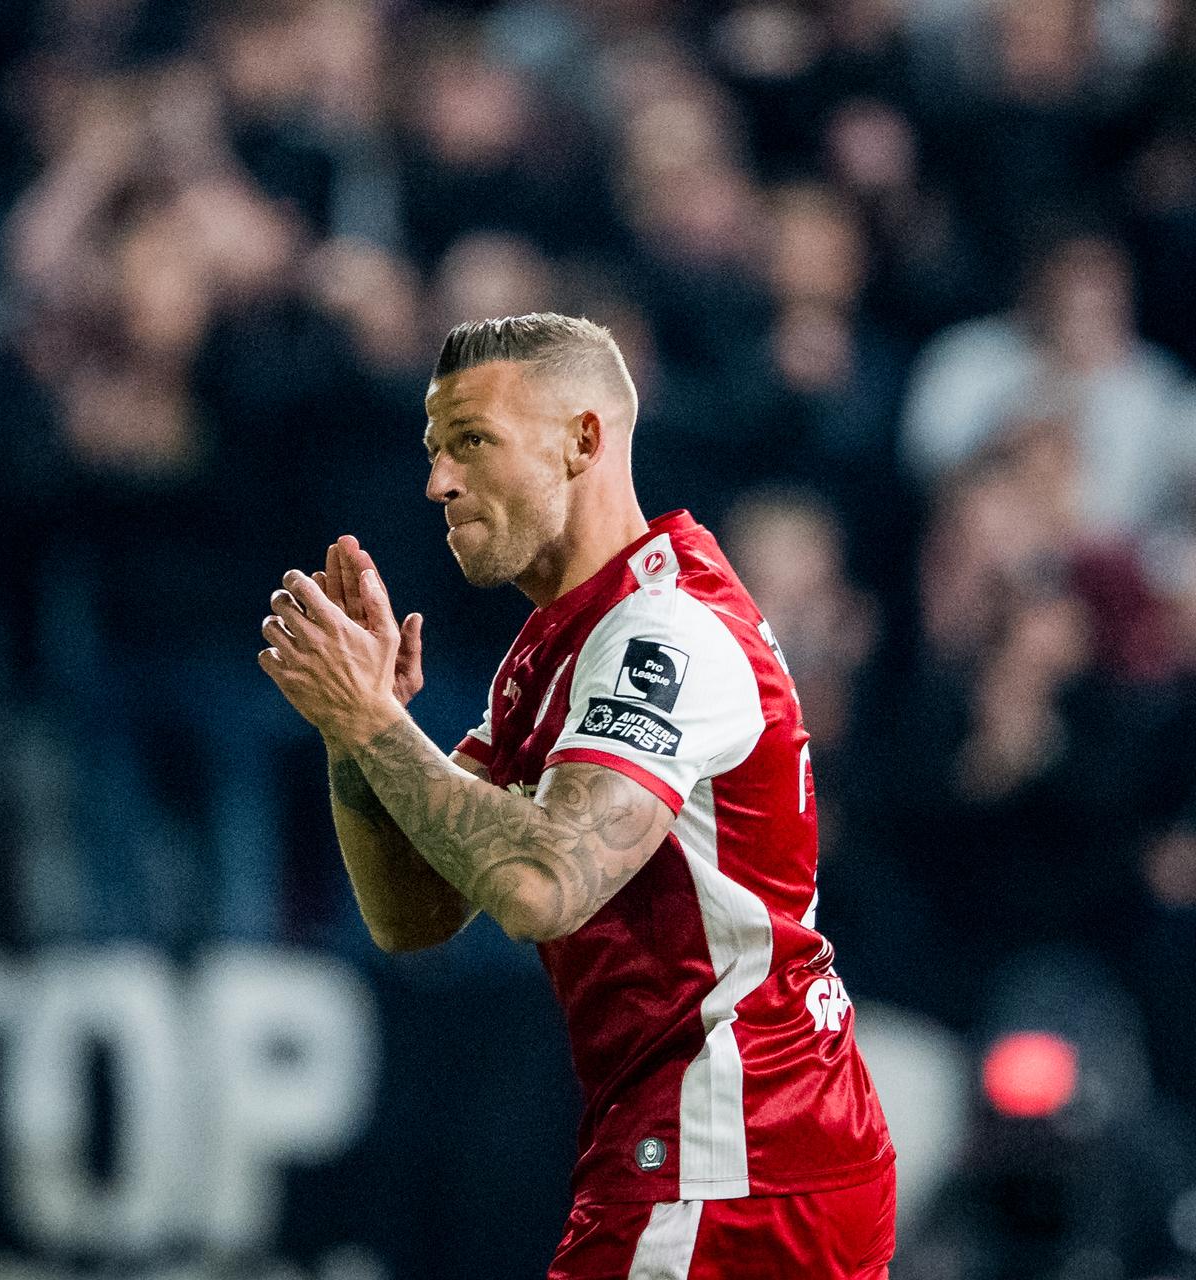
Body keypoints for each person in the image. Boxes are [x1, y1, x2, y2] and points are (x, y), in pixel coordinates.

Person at [259, 313, 895, 1278]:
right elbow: (417, 911)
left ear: (583, 441)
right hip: (740, 1152)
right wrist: (361, 734)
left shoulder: (661, 634)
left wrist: (378, 729)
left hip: (730, 1161)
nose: (438, 481)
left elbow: (543, 883)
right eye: (433, 451)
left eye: (472, 442)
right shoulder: (557, 645)